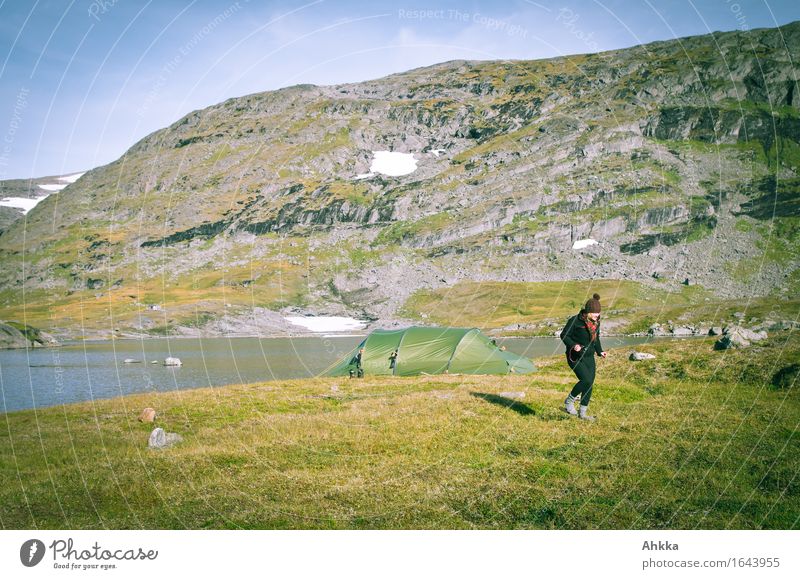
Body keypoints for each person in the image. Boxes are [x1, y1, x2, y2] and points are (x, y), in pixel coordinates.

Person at [559, 293, 608, 421]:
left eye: (598, 312)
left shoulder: (596, 322)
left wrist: (600, 351)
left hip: (589, 356)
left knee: (589, 383)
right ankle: (569, 401)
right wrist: (574, 345)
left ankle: (583, 413)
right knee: (586, 380)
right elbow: (564, 335)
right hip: (574, 356)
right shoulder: (575, 320)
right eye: (594, 312)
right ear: (587, 311)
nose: (597, 315)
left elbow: (596, 339)